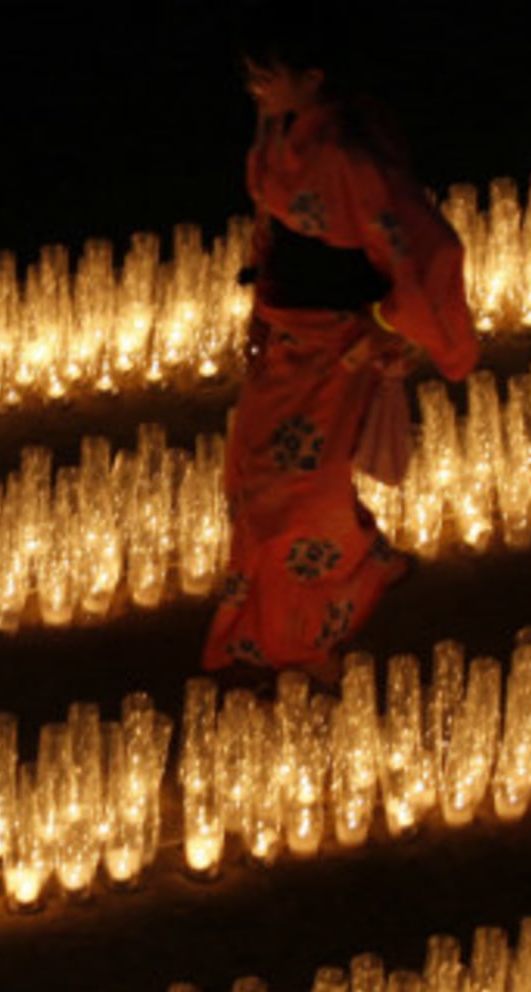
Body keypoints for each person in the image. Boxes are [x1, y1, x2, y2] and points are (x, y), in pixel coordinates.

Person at [202, 5, 478, 685]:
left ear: (314, 77)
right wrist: (260, 314)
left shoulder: (349, 154)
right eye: (250, 71)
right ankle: (335, 580)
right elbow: (272, 224)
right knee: (249, 478)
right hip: (284, 334)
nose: (254, 84)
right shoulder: (280, 130)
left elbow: (427, 248)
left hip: (335, 349)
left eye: (267, 73)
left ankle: (307, 632)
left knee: (295, 495)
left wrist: (383, 328)